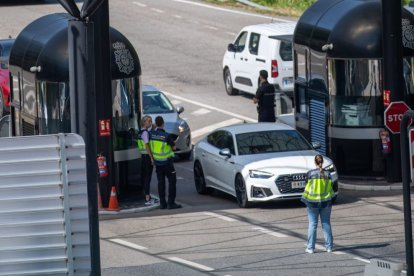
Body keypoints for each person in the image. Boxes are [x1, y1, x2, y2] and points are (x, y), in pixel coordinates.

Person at [301, 154, 336, 254]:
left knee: (313, 224)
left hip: (312, 203)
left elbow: (306, 187)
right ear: (322, 162)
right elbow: (331, 188)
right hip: (326, 202)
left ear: (315, 162)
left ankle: (310, 248)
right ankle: (329, 247)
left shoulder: (310, 174)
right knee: (326, 224)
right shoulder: (328, 174)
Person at [150, 116, 182, 210]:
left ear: (156, 124)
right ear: (163, 123)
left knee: (161, 183)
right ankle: (171, 203)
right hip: (167, 163)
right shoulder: (166, 136)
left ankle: (162, 203)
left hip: (158, 163)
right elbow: (174, 148)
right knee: (172, 182)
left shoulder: (152, 135)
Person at [137, 115, 156, 206]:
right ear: (144, 122)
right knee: (148, 178)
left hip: (142, 156)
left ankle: (145, 195)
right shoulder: (145, 133)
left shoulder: (140, 132)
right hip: (147, 157)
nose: (150, 122)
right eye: (148, 121)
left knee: (144, 177)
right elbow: (147, 145)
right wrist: (151, 157)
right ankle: (147, 198)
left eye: (150, 121)